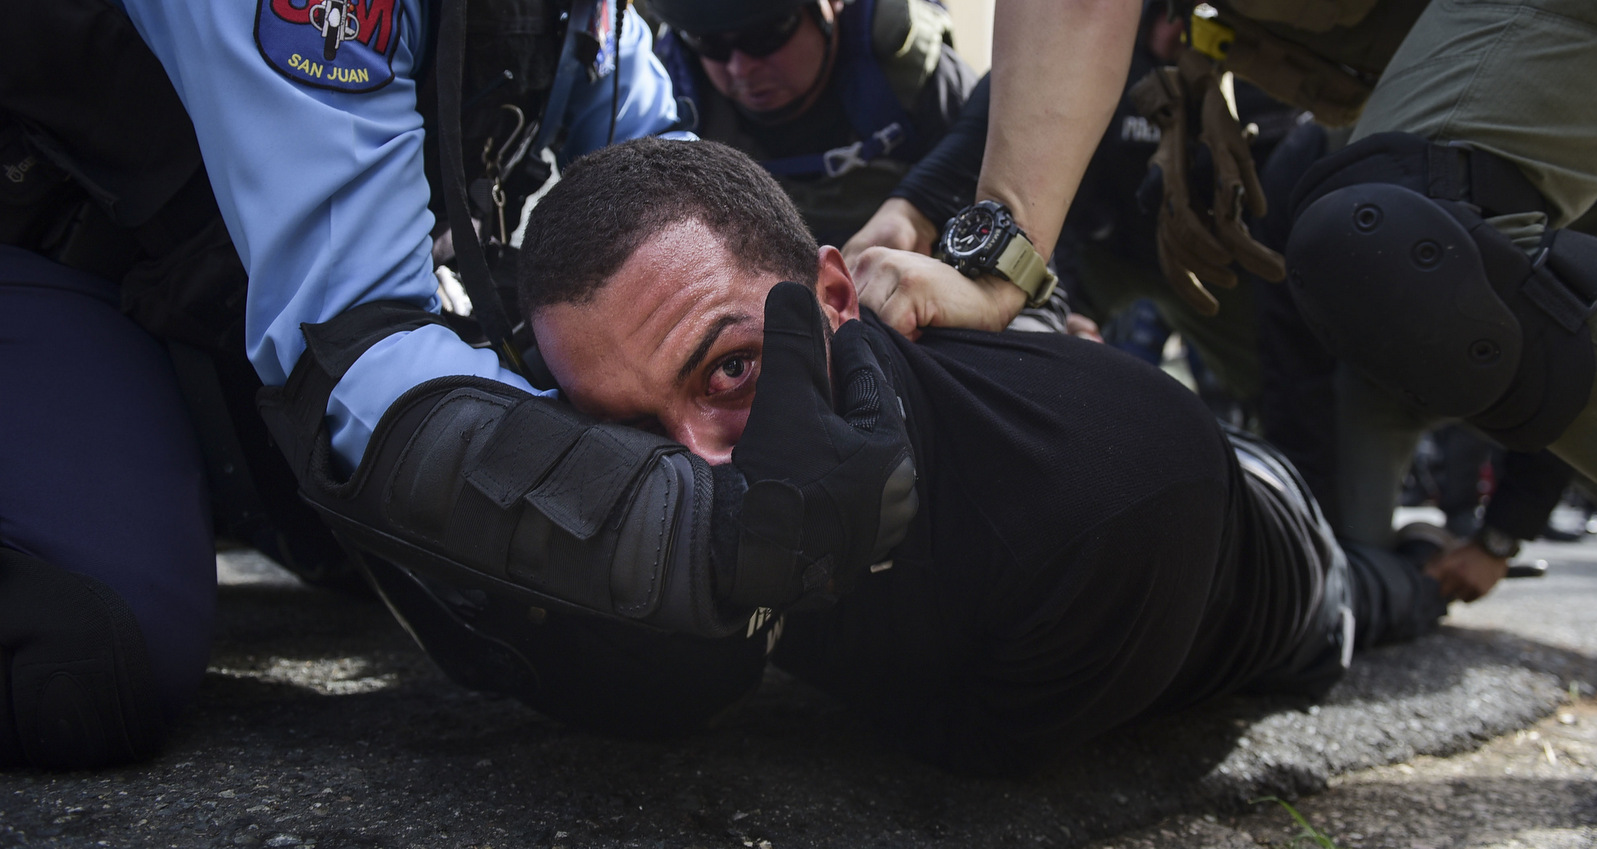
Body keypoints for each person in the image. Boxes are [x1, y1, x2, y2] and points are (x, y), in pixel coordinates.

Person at [0, 0, 916, 770]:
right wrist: (698, 530)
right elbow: (355, 341)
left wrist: (838, 359)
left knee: (595, 618)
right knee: (93, 658)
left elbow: (683, 203)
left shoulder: (591, 20)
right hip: (57, 265)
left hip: (216, 296)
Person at [514, 137, 1447, 773]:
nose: (697, 465)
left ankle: (1435, 562)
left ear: (834, 293)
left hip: (1267, 548)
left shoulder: (1105, 504)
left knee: (1379, 589)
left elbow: (973, 743)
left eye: (732, 368)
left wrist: (767, 607)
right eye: (629, 431)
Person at [845, 0, 1597, 601]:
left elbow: (1317, 351)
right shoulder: (1163, 59)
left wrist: (1500, 534)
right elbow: (1045, 47)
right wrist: (947, 222)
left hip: (1361, 304)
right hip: (1394, 71)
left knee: (1398, 246)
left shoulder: (1296, 158)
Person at [645, 0, 976, 247]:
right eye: (708, 44)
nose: (740, 69)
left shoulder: (909, 73)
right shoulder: (673, 99)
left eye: (766, 36)